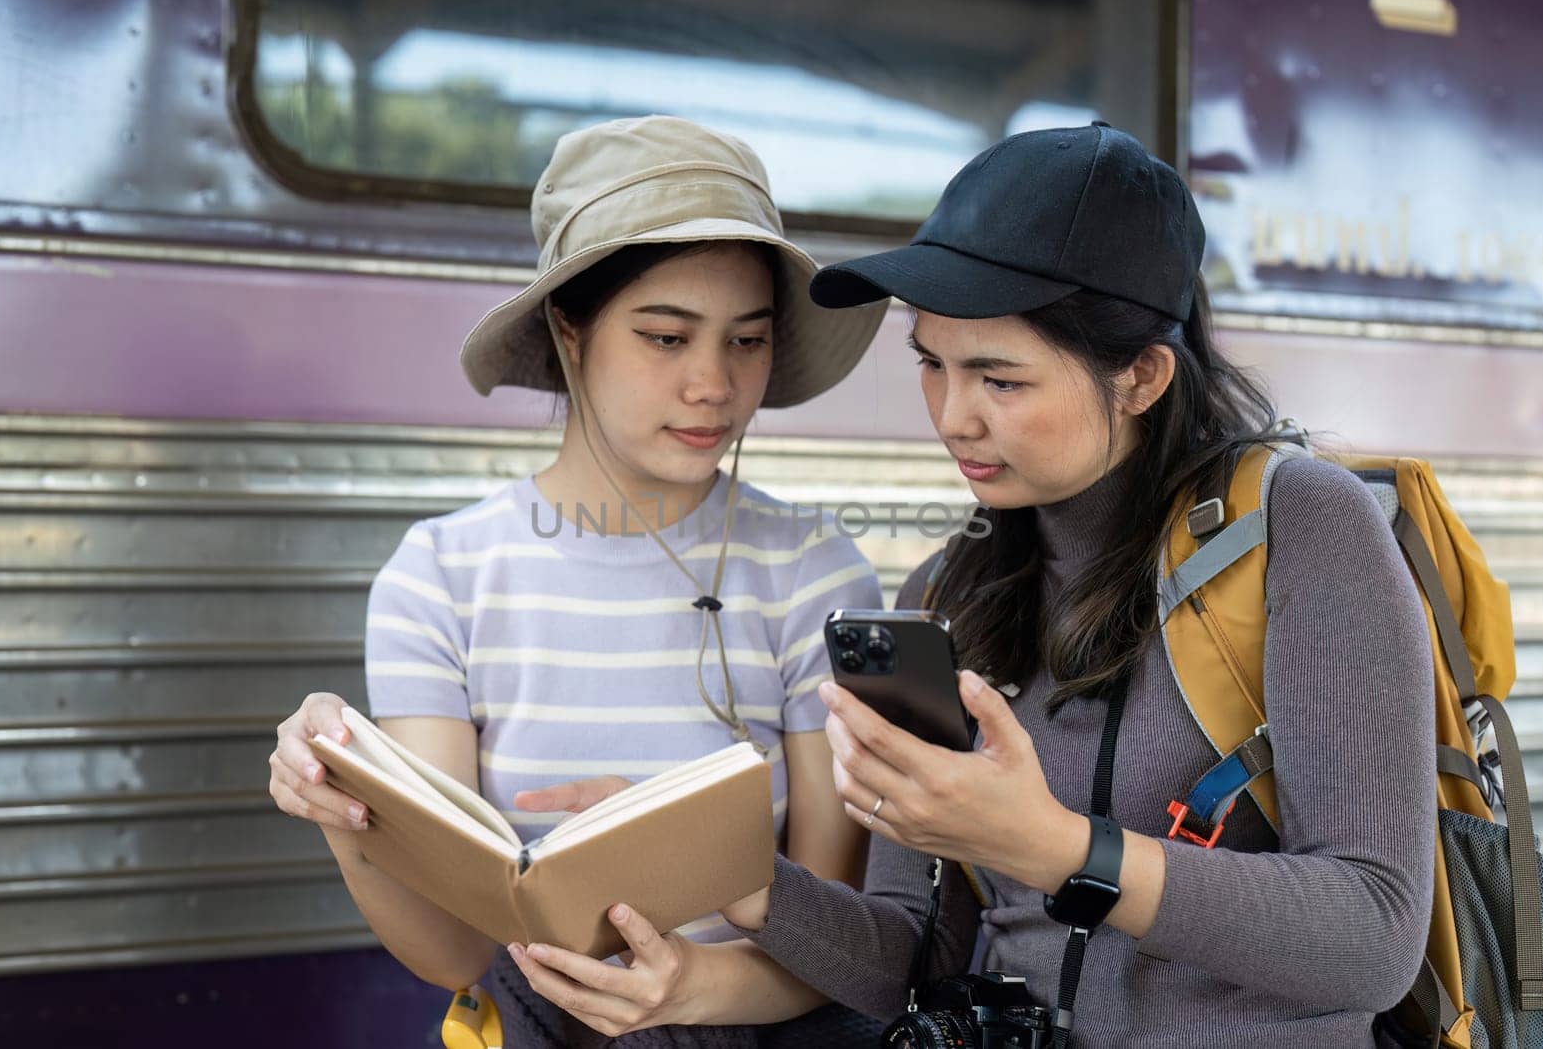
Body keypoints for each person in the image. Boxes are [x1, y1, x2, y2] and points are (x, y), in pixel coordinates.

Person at [518, 123, 1437, 1047]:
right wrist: (731, 874)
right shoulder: (945, 589)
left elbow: (1374, 930)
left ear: (1143, 375)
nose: (954, 418)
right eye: (931, 364)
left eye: (1000, 379)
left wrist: (1052, 847)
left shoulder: (1299, 529)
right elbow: (909, 954)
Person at [266, 115, 892, 1048]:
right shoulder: (442, 577)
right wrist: (341, 804)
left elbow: (839, 941)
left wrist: (691, 988)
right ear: (570, 328)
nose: (714, 385)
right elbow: (452, 952)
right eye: (667, 338)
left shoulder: (812, 572)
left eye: (747, 340)